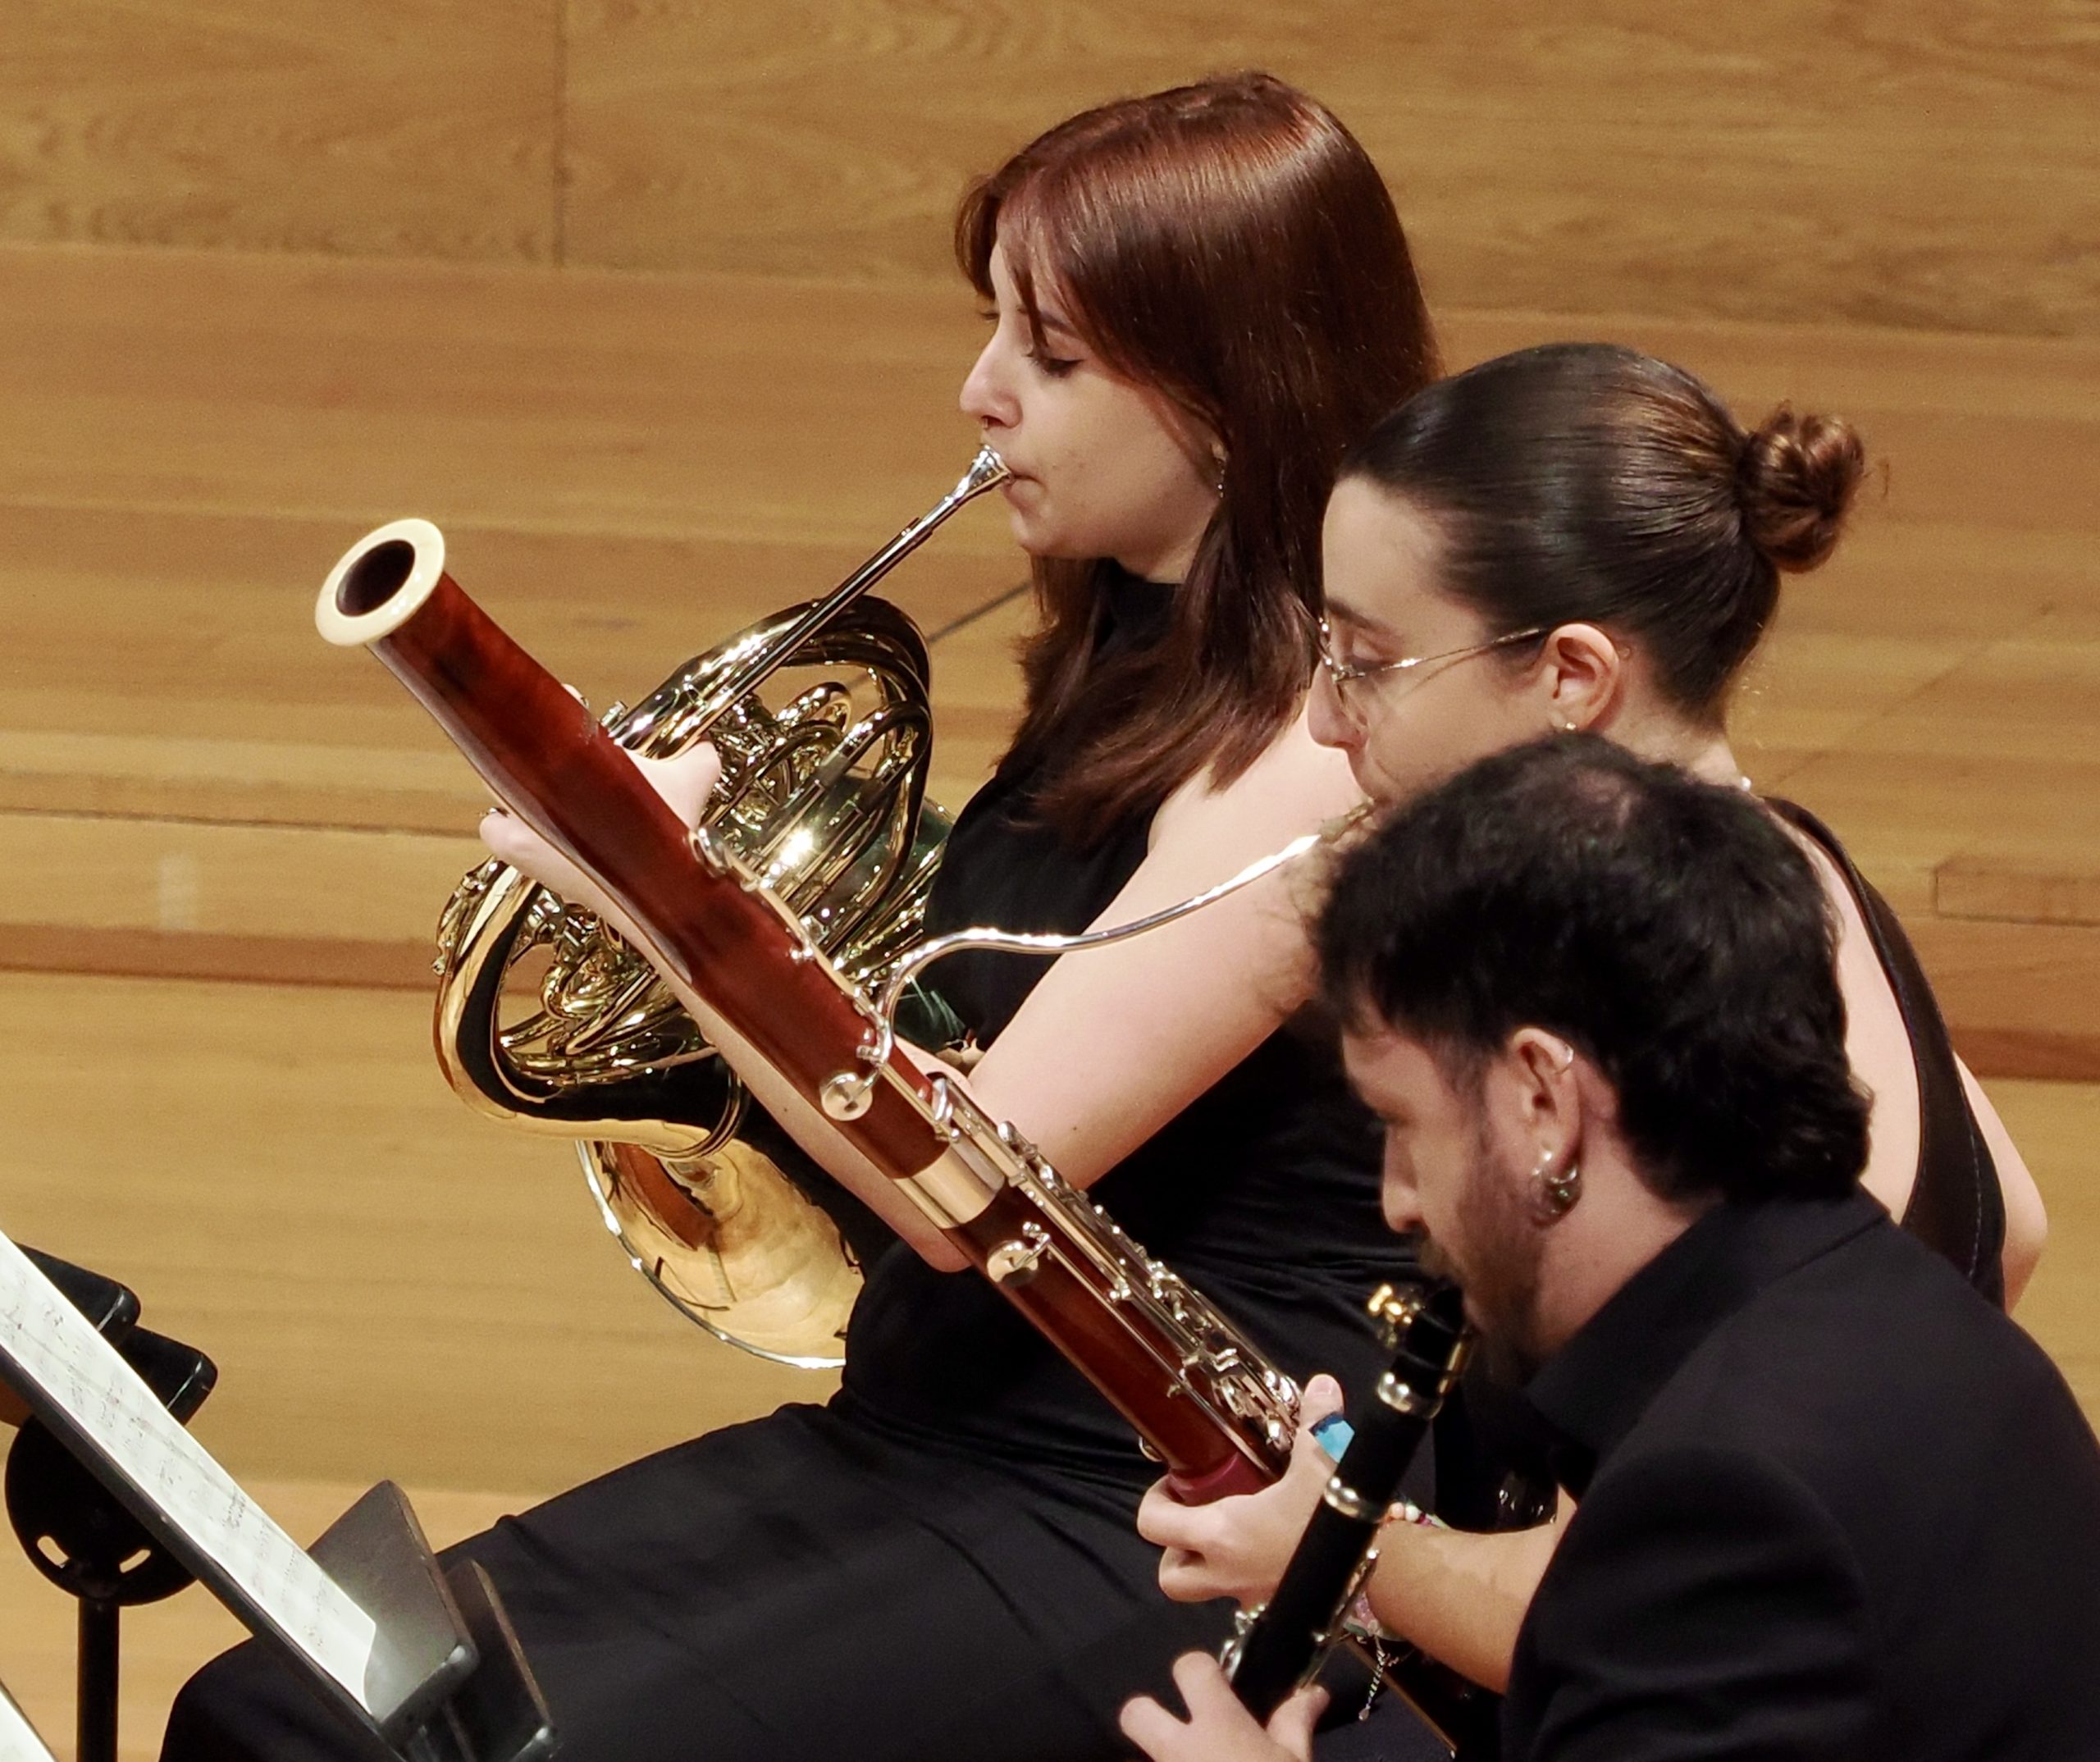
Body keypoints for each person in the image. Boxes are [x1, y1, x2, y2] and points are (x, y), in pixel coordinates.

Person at [162, 73, 1438, 1762]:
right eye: (994, 327)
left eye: (1053, 355)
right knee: (271, 1705)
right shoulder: (1135, 652)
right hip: (937, 1430)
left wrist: (670, 895)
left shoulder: (1315, 753)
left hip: (1154, 1515)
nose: (981, 390)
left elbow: (974, 1184)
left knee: (363, 1749)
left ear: (1227, 395)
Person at [1136, 343, 2048, 1711]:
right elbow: (2006, 1225)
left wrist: (1345, 1552)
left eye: (1368, 661)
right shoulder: (1791, 868)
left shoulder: (1648, 1016)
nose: (1324, 720)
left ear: (1572, 675)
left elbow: (1621, 1602)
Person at [1122, 737, 2100, 1762]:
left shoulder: (1721, 1503)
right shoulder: (1905, 1307)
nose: (1398, 1200)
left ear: (1543, 1100)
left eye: (1402, 1124)